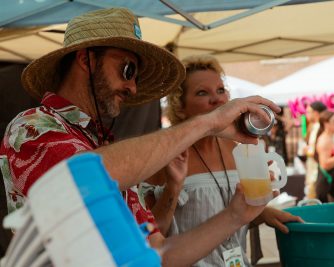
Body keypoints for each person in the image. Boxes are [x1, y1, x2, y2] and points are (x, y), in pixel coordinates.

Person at [0, 8, 287, 267]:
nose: (133, 88)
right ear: (86, 60)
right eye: (128, 70)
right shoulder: (32, 128)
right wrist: (208, 124)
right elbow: (83, 177)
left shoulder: (104, 145)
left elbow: (156, 250)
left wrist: (236, 216)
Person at [142, 55, 303, 266]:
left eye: (220, 90)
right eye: (202, 92)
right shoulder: (167, 154)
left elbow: (226, 217)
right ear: (180, 107)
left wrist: (262, 214)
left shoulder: (235, 148)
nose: (217, 99)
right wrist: (173, 187)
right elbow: (151, 238)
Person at [314, 110, 334, 203]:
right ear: (326, 123)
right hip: (326, 185)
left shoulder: (329, 138)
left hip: (328, 184)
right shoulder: (325, 140)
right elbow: (325, 164)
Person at [303, 101, 327, 199]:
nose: (306, 114)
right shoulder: (314, 126)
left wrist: (308, 151)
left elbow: (318, 151)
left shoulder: (320, 127)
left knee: (313, 200)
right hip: (313, 170)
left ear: (316, 113)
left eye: (308, 112)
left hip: (317, 172)